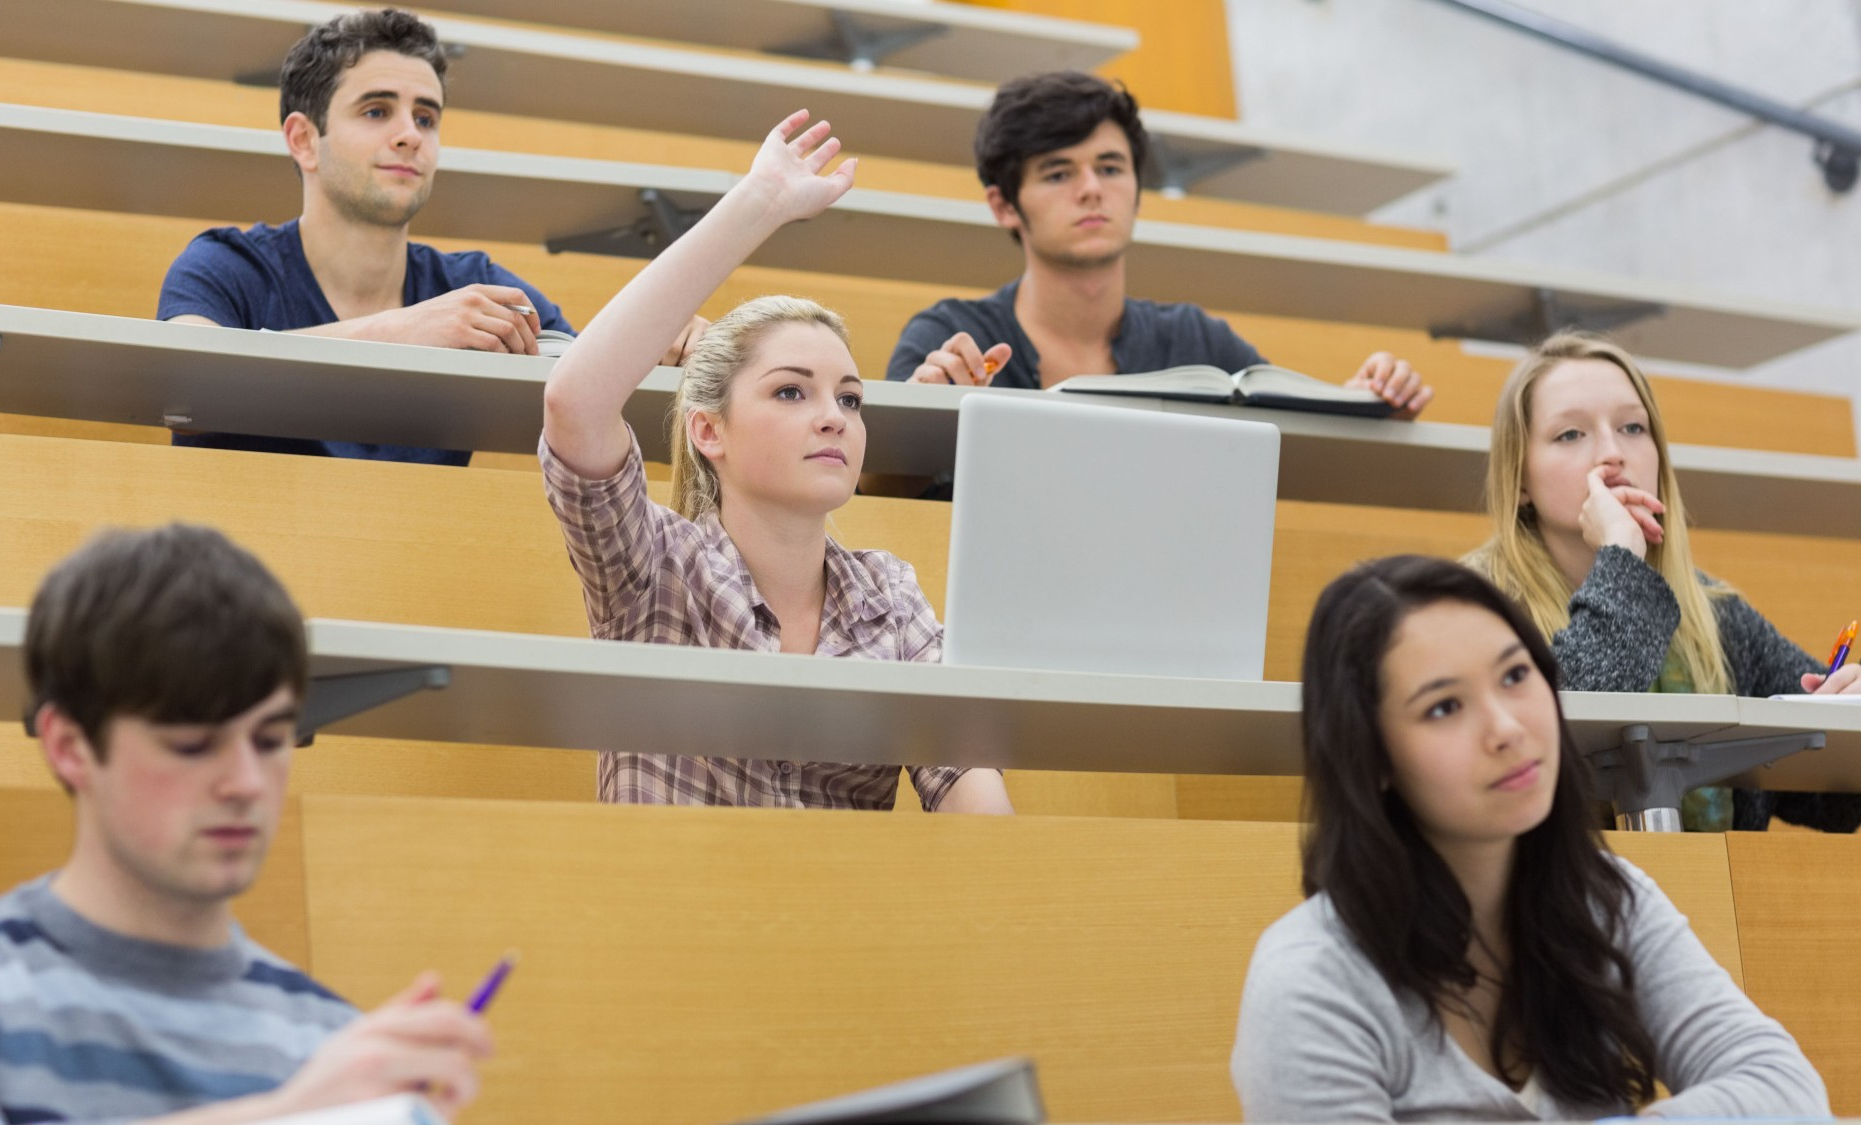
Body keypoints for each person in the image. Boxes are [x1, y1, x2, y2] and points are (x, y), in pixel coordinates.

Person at [0, 525, 491, 1124]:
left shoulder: (332, 1046)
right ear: (70, 746)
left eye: (271, 740)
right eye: (193, 744)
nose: (246, 782)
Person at [1231, 555, 1828, 1122]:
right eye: (1444, 707)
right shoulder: (1312, 981)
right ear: (1371, 756)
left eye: (1516, 675)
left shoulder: (1604, 899)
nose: (1507, 728)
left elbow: (1781, 1085)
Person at [539, 109, 1012, 813]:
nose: (833, 416)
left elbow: (974, 798)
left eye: (850, 399)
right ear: (709, 431)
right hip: (669, 888)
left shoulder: (890, 595)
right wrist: (759, 203)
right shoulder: (655, 566)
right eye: (791, 391)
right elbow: (574, 402)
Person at [156, 8, 700, 464]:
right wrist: (398, 332)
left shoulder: (473, 285)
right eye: (376, 111)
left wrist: (671, 350)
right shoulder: (224, 265)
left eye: (425, 118)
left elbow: (590, 385)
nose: (409, 136)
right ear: (303, 140)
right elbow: (187, 385)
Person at [1463, 332, 1861, 832]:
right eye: (1570, 434)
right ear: (1519, 477)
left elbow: (1829, 794)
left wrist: (1848, 704)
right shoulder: (1471, 608)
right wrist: (1620, 556)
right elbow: (1549, 744)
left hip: (1713, 883)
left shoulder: (1714, 611)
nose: (1612, 453)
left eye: (1633, 427)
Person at [884, 70, 1432, 419]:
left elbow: (1300, 433)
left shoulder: (1195, 339)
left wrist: (1373, 399)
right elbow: (882, 487)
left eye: (1110, 167)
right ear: (1004, 205)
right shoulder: (949, 336)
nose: (1093, 189)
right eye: (1058, 173)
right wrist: (924, 410)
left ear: (1137, 190)